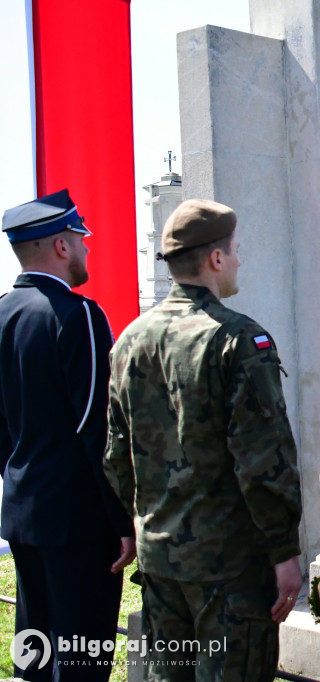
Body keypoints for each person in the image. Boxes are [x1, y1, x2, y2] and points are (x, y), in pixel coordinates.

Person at [103, 199, 302, 678]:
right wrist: (284, 551)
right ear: (215, 259)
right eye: (234, 251)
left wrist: (135, 528)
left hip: (160, 561)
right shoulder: (238, 340)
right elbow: (263, 461)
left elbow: (115, 454)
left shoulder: (129, 339)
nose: (238, 261)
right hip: (229, 571)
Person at [0, 189, 136, 682]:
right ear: (61, 246)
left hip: (22, 515)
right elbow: (95, 429)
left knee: (33, 657)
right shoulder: (77, 315)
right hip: (79, 523)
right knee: (82, 660)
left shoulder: (2, 313)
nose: (87, 251)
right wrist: (122, 518)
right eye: (81, 241)